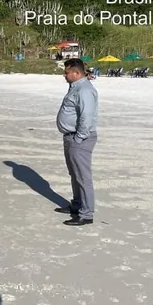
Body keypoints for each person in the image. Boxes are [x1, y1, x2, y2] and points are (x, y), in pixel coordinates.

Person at [55, 58, 99, 226]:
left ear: (76, 72)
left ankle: (86, 213)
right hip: (71, 136)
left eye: (66, 72)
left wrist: (79, 137)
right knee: (74, 174)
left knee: (82, 176)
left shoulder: (84, 90)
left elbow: (86, 117)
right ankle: (77, 204)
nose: (64, 75)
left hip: (79, 138)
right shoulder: (75, 87)